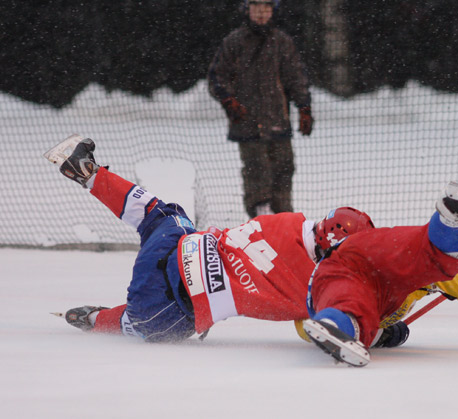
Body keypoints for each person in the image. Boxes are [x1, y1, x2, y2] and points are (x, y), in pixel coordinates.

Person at [44, 135, 370, 343]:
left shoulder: (289, 221)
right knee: (150, 323)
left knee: (164, 214)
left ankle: (89, 173)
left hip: (173, 248)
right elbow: (323, 322)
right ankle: (97, 319)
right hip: (165, 314)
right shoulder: (316, 289)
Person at [302, 182, 458, 367]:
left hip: (355, 268)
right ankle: (451, 223)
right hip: (374, 252)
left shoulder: (324, 275)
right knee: (431, 252)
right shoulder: (373, 256)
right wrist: (381, 336)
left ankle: (340, 324)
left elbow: (307, 325)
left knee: (350, 307)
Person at [207, 0, 313, 218]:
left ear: (273, 10)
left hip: (278, 120)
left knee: (284, 168)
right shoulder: (234, 41)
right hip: (246, 122)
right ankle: (261, 216)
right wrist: (229, 101)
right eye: (257, 6)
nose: (262, 12)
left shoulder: (282, 42)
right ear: (247, 9)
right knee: (257, 170)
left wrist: (304, 107)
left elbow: (296, 77)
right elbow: (217, 77)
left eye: (267, 6)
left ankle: (284, 217)